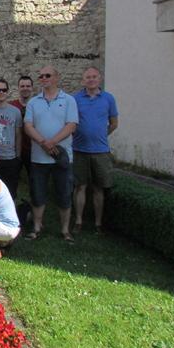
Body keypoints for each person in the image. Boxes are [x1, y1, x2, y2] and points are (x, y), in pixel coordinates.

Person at [24, 65, 78, 243]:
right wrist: (43, 142)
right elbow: (28, 126)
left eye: (47, 75)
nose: (44, 78)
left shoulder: (69, 100)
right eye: (41, 76)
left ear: (56, 77)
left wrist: (52, 142)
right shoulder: (33, 102)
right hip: (39, 158)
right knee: (38, 194)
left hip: (61, 157)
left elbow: (71, 125)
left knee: (64, 194)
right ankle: (37, 227)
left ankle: (65, 230)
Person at [72, 67, 119, 234]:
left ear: (99, 79)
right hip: (79, 149)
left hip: (100, 150)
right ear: (83, 80)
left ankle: (98, 223)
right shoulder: (75, 99)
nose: (91, 80)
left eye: (94, 77)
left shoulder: (108, 98)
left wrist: (100, 135)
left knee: (99, 188)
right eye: (88, 77)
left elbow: (114, 123)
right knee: (80, 187)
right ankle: (78, 221)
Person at [9, 75, 34, 183]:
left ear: (32, 88)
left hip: (32, 148)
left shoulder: (37, 105)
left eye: (28, 86)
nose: (25, 88)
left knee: (34, 179)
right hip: (14, 149)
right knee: (12, 179)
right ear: (18, 88)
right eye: (22, 86)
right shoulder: (11, 106)